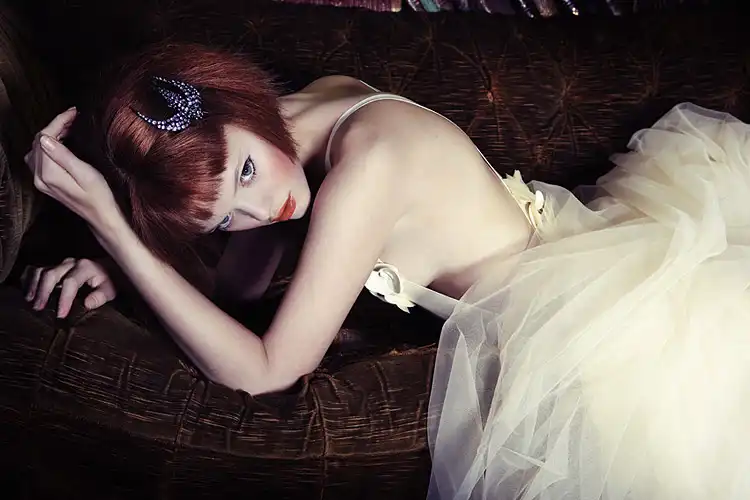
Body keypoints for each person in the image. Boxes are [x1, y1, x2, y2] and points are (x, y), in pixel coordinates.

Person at [23, 42, 750, 500]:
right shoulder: (316, 105)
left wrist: (112, 229)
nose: (262, 207)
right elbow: (239, 278)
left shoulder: (367, 168)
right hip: (569, 250)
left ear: (236, 101)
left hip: (585, 320)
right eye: (224, 218)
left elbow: (268, 373)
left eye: (244, 170)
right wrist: (129, 263)